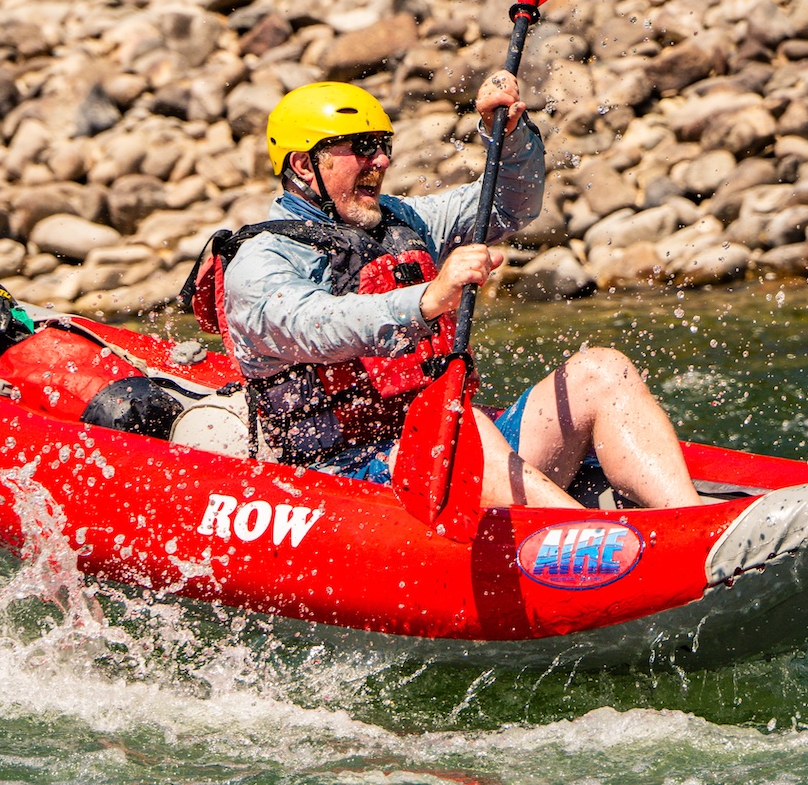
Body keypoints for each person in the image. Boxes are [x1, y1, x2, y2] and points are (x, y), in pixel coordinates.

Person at [205, 74, 703, 510]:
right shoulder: (261, 260)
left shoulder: (401, 221)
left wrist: (508, 136)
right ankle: (596, 540)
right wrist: (427, 300)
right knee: (461, 428)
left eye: (383, 144)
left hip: (441, 446)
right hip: (342, 481)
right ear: (302, 164)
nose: (381, 160)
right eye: (361, 147)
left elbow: (507, 205)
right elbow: (312, 325)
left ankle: (689, 520)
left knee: (602, 371)